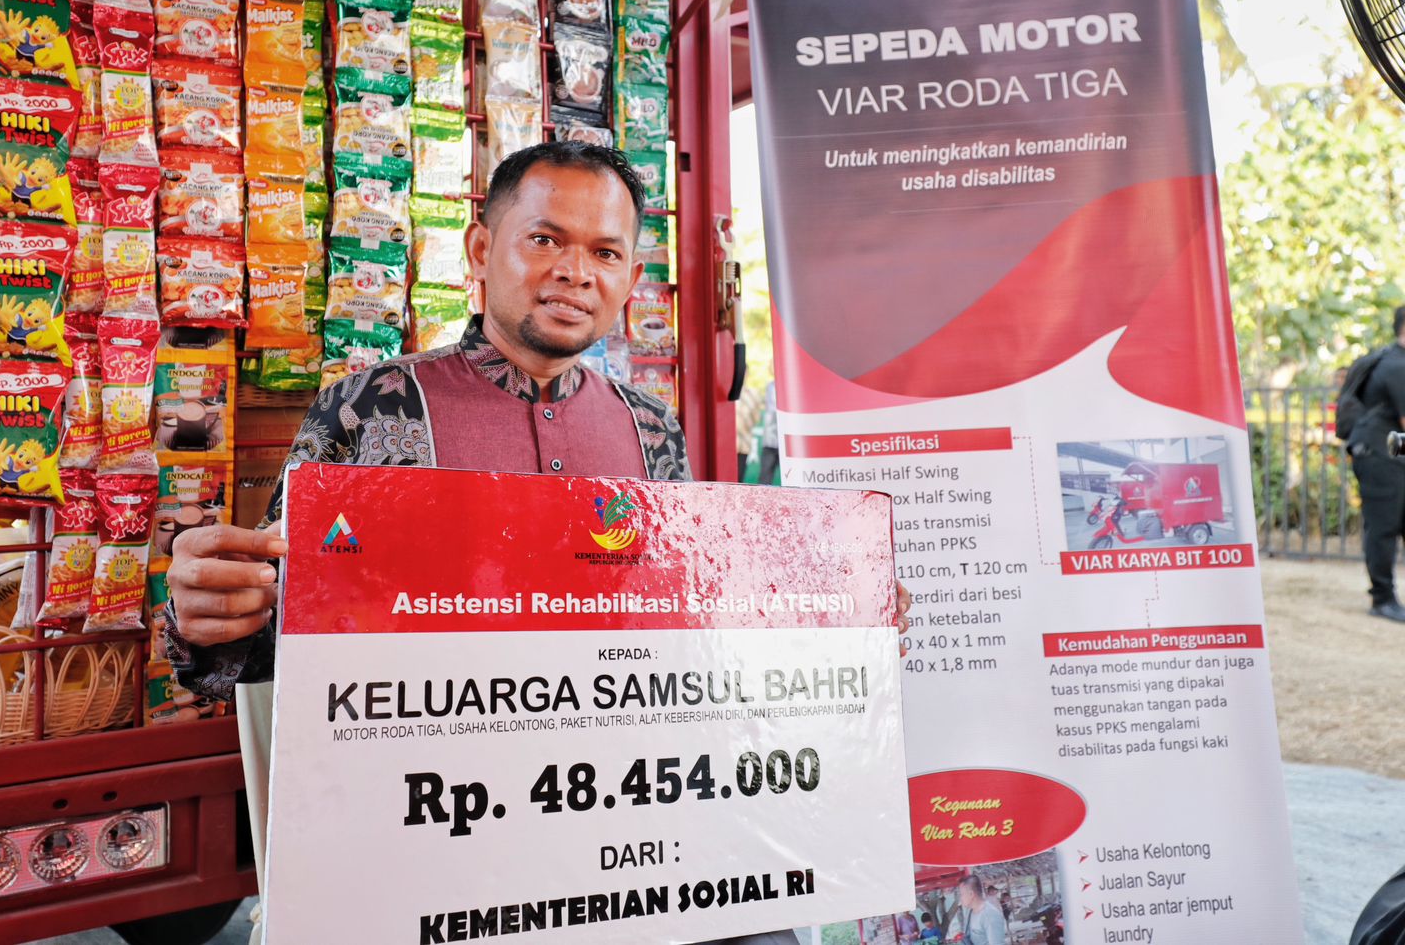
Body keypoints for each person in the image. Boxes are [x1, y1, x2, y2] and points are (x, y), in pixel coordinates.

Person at [164, 141, 910, 945]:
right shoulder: (371, 409)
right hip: (434, 856)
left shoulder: (650, 427)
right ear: (483, 251)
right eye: (546, 239)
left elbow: (686, 640)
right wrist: (209, 615)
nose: (575, 272)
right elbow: (279, 640)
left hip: (628, 849)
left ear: (629, 277)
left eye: (605, 252)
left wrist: (830, 625)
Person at [1348, 306, 1405, 622]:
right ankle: (1382, 599)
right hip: (1381, 457)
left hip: (1393, 455)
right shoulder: (1398, 367)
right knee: (1383, 528)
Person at [955, 875, 1007, 945]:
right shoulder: (969, 911)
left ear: (971, 894)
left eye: (961, 894)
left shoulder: (990, 915)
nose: (961, 898)